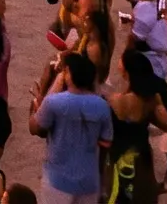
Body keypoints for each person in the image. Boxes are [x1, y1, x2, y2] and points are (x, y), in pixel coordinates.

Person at [27, 52, 110, 204]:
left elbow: (35, 128)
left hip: (57, 183)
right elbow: (105, 145)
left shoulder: (54, 102)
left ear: (69, 75)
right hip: (89, 183)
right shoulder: (102, 105)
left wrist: (35, 106)